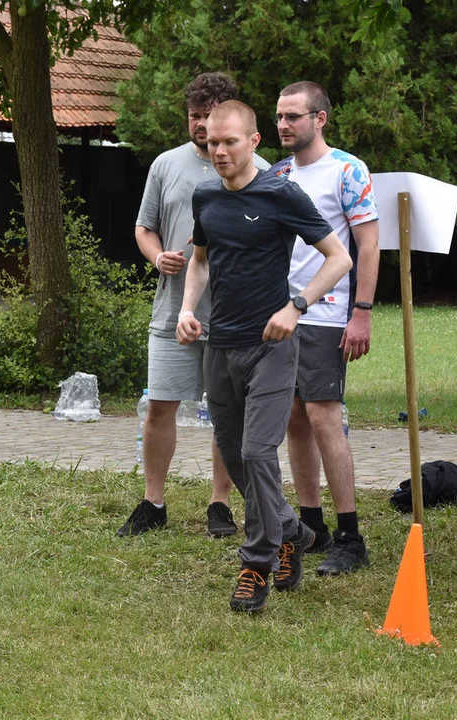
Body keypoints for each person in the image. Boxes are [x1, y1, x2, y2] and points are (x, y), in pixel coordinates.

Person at [176, 101, 352, 612]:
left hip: (273, 345)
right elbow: (201, 262)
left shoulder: (280, 193)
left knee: (257, 452)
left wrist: (297, 306)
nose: (219, 151)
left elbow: (339, 257)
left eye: (230, 142)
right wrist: (188, 308)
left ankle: (256, 564)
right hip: (221, 346)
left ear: (254, 141)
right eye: (211, 142)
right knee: (233, 456)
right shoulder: (206, 195)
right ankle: (292, 530)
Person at [118, 72, 271, 538]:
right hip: (173, 313)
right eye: (195, 116)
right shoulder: (165, 165)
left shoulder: (263, 171)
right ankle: (153, 502)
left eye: (210, 116)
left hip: (234, 316)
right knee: (159, 407)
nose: (202, 126)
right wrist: (156, 254)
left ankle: (220, 503)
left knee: (228, 414)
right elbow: (145, 228)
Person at [272, 81, 379, 575]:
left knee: (323, 417)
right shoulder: (278, 173)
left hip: (328, 312)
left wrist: (362, 310)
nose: (284, 125)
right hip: (283, 314)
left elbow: (369, 244)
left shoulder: (347, 170)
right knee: (294, 418)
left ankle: (350, 536)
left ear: (320, 119)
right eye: (279, 116)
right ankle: (310, 526)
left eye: (294, 116)